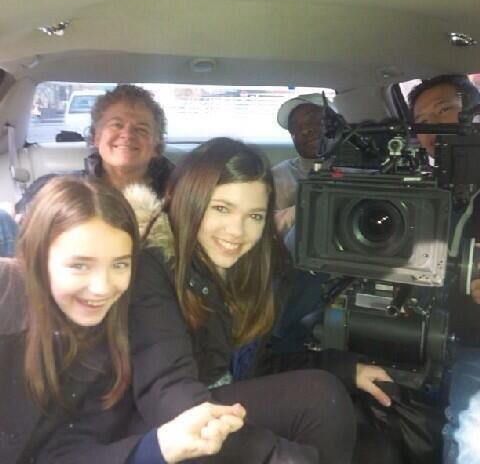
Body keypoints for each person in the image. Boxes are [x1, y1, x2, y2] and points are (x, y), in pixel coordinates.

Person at [125, 137, 357, 463]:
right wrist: (277, 455)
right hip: (157, 423)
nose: (237, 231)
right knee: (318, 401)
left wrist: (347, 369)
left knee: (323, 393)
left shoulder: (240, 270)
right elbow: (167, 388)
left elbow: (256, 366)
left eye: (255, 216)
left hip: (212, 399)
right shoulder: (151, 264)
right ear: (189, 200)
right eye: (221, 208)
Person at [0, 175, 245, 463]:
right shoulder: (6, 294)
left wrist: (161, 445)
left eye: (120, 264)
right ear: (36, 256)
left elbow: (64, 451)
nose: (103, 287)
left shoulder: (109, 338)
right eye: (80, 265)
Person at [409, 74, 480, 464]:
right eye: (422, 120)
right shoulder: (419, 185)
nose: (432, 125)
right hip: (423, 331)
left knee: (472, 440)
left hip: (474, 343)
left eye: (444, 109)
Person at [15, 83, 174, 215]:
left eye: (141, 129)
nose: (127, 134)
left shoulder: (180, 193)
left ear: (156, 145)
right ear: (96, 137)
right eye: (116, 125)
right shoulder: (53, 190)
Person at [273, 93, 339, 235]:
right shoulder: (278, 176)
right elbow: (264, 227)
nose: (304, 130)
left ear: (335, 124)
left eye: (313, 120)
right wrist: (303, 209)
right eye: (295, 127)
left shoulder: (363, 172)